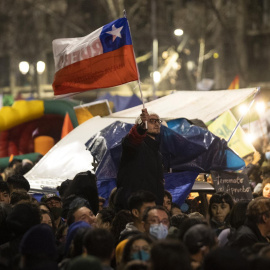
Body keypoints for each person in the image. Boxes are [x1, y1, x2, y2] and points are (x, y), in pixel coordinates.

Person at [115, 108, 165, 211]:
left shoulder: (158, 153)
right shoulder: (135, 146)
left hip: (153, 209)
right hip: (135, 208)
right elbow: (132, 140)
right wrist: (142, 127)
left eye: (158, 121)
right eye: (151, 121)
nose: (156, 124)